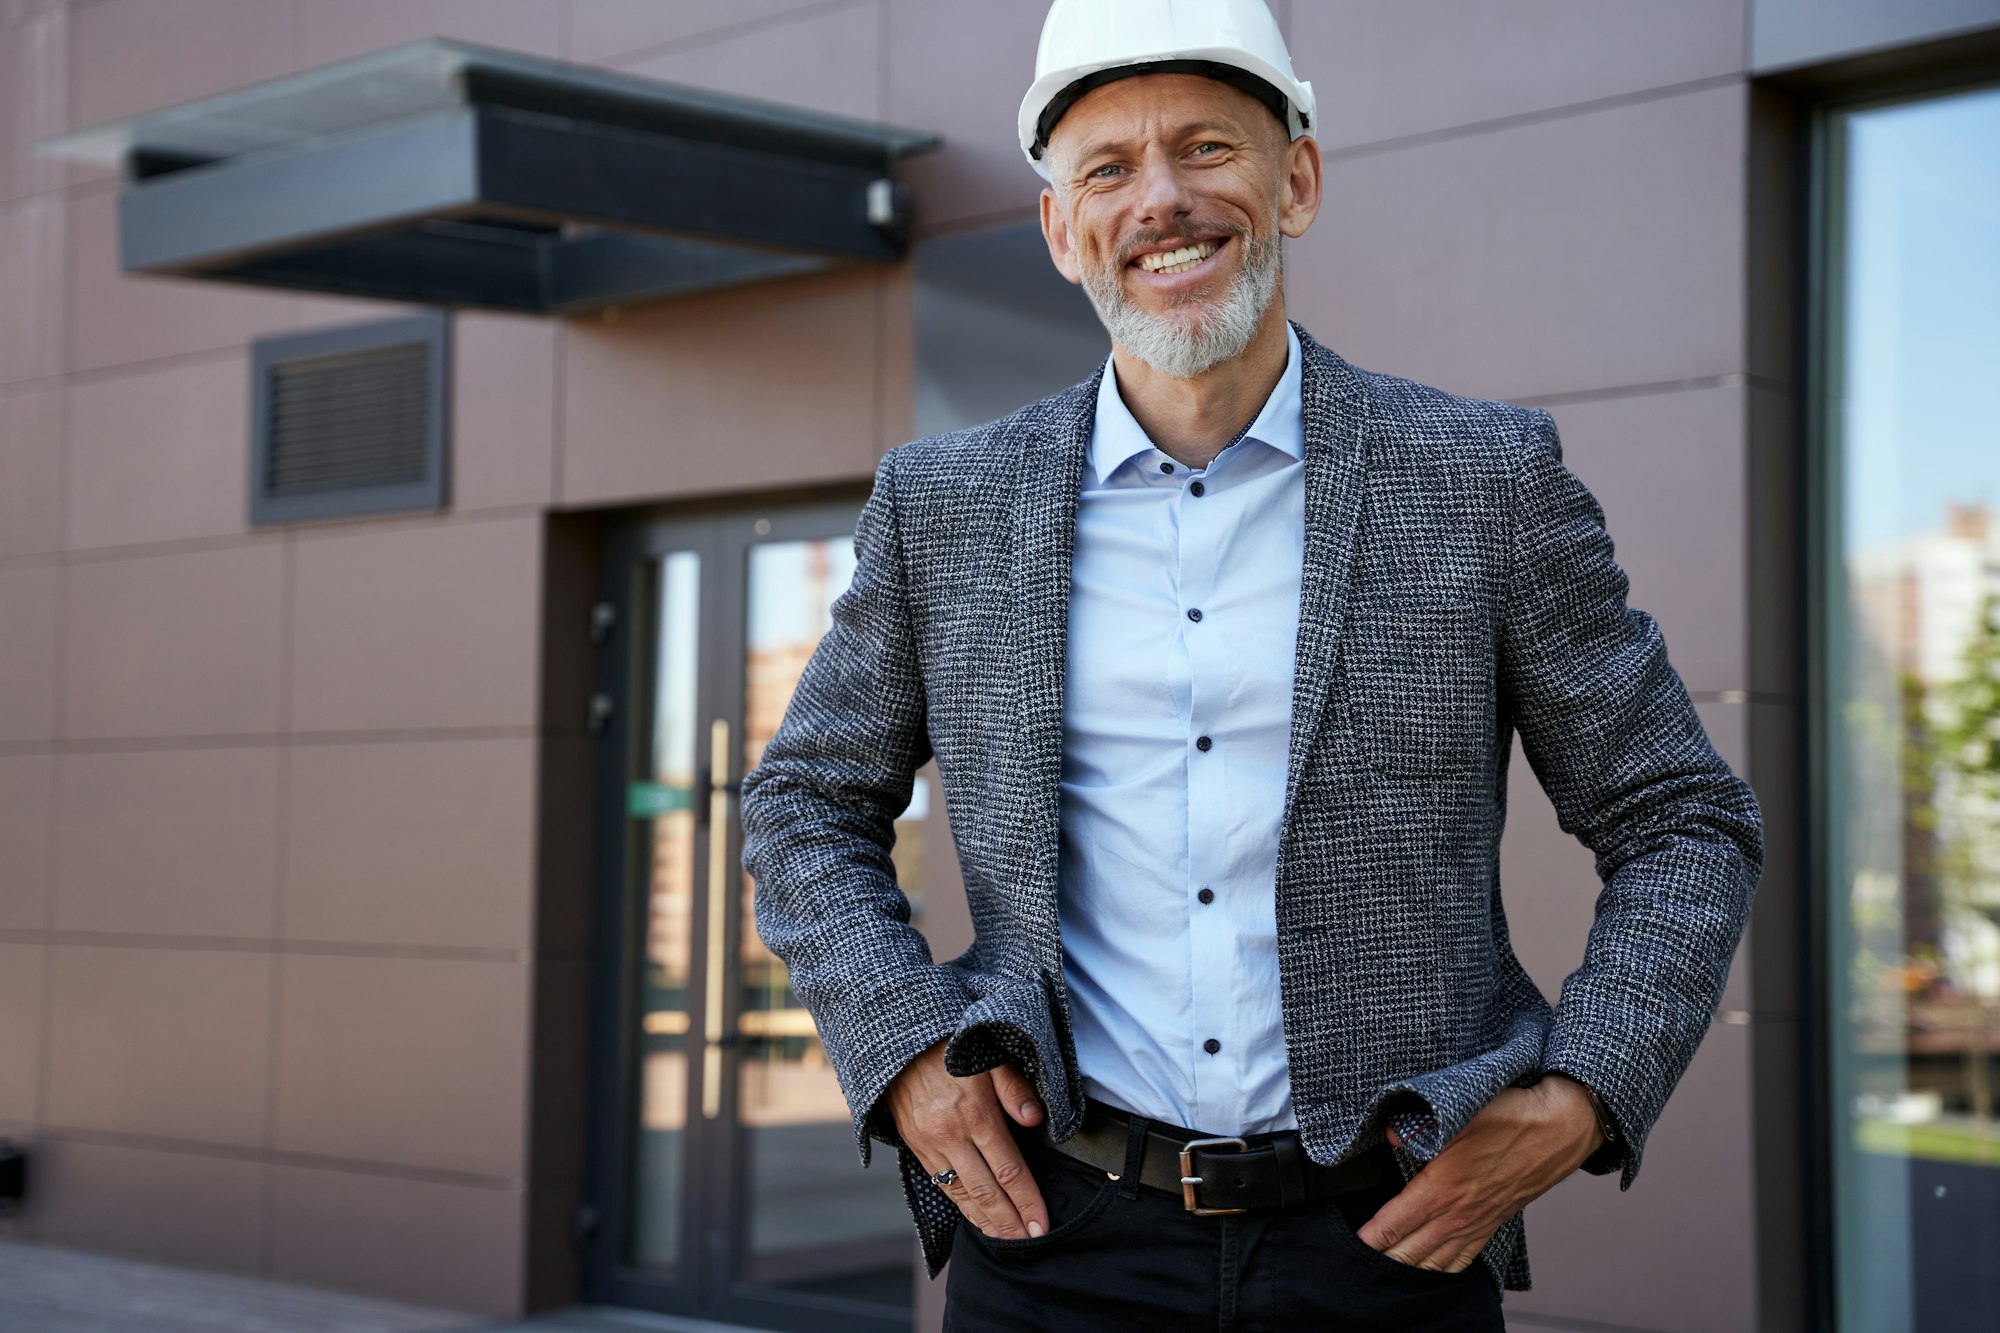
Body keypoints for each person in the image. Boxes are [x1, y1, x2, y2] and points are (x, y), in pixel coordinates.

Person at [740, 2, 1765, 1328]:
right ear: (1062, 231)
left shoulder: (1482, 480)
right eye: (1107, 169)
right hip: (1057, 1241)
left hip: (1389, 1244)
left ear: (1299, 178)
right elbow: (803, 801)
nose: (1161, 200)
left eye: (1207, 147)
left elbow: (1682, 815)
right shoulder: (946, 504)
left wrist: (1583, 1095)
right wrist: (906, 1058)